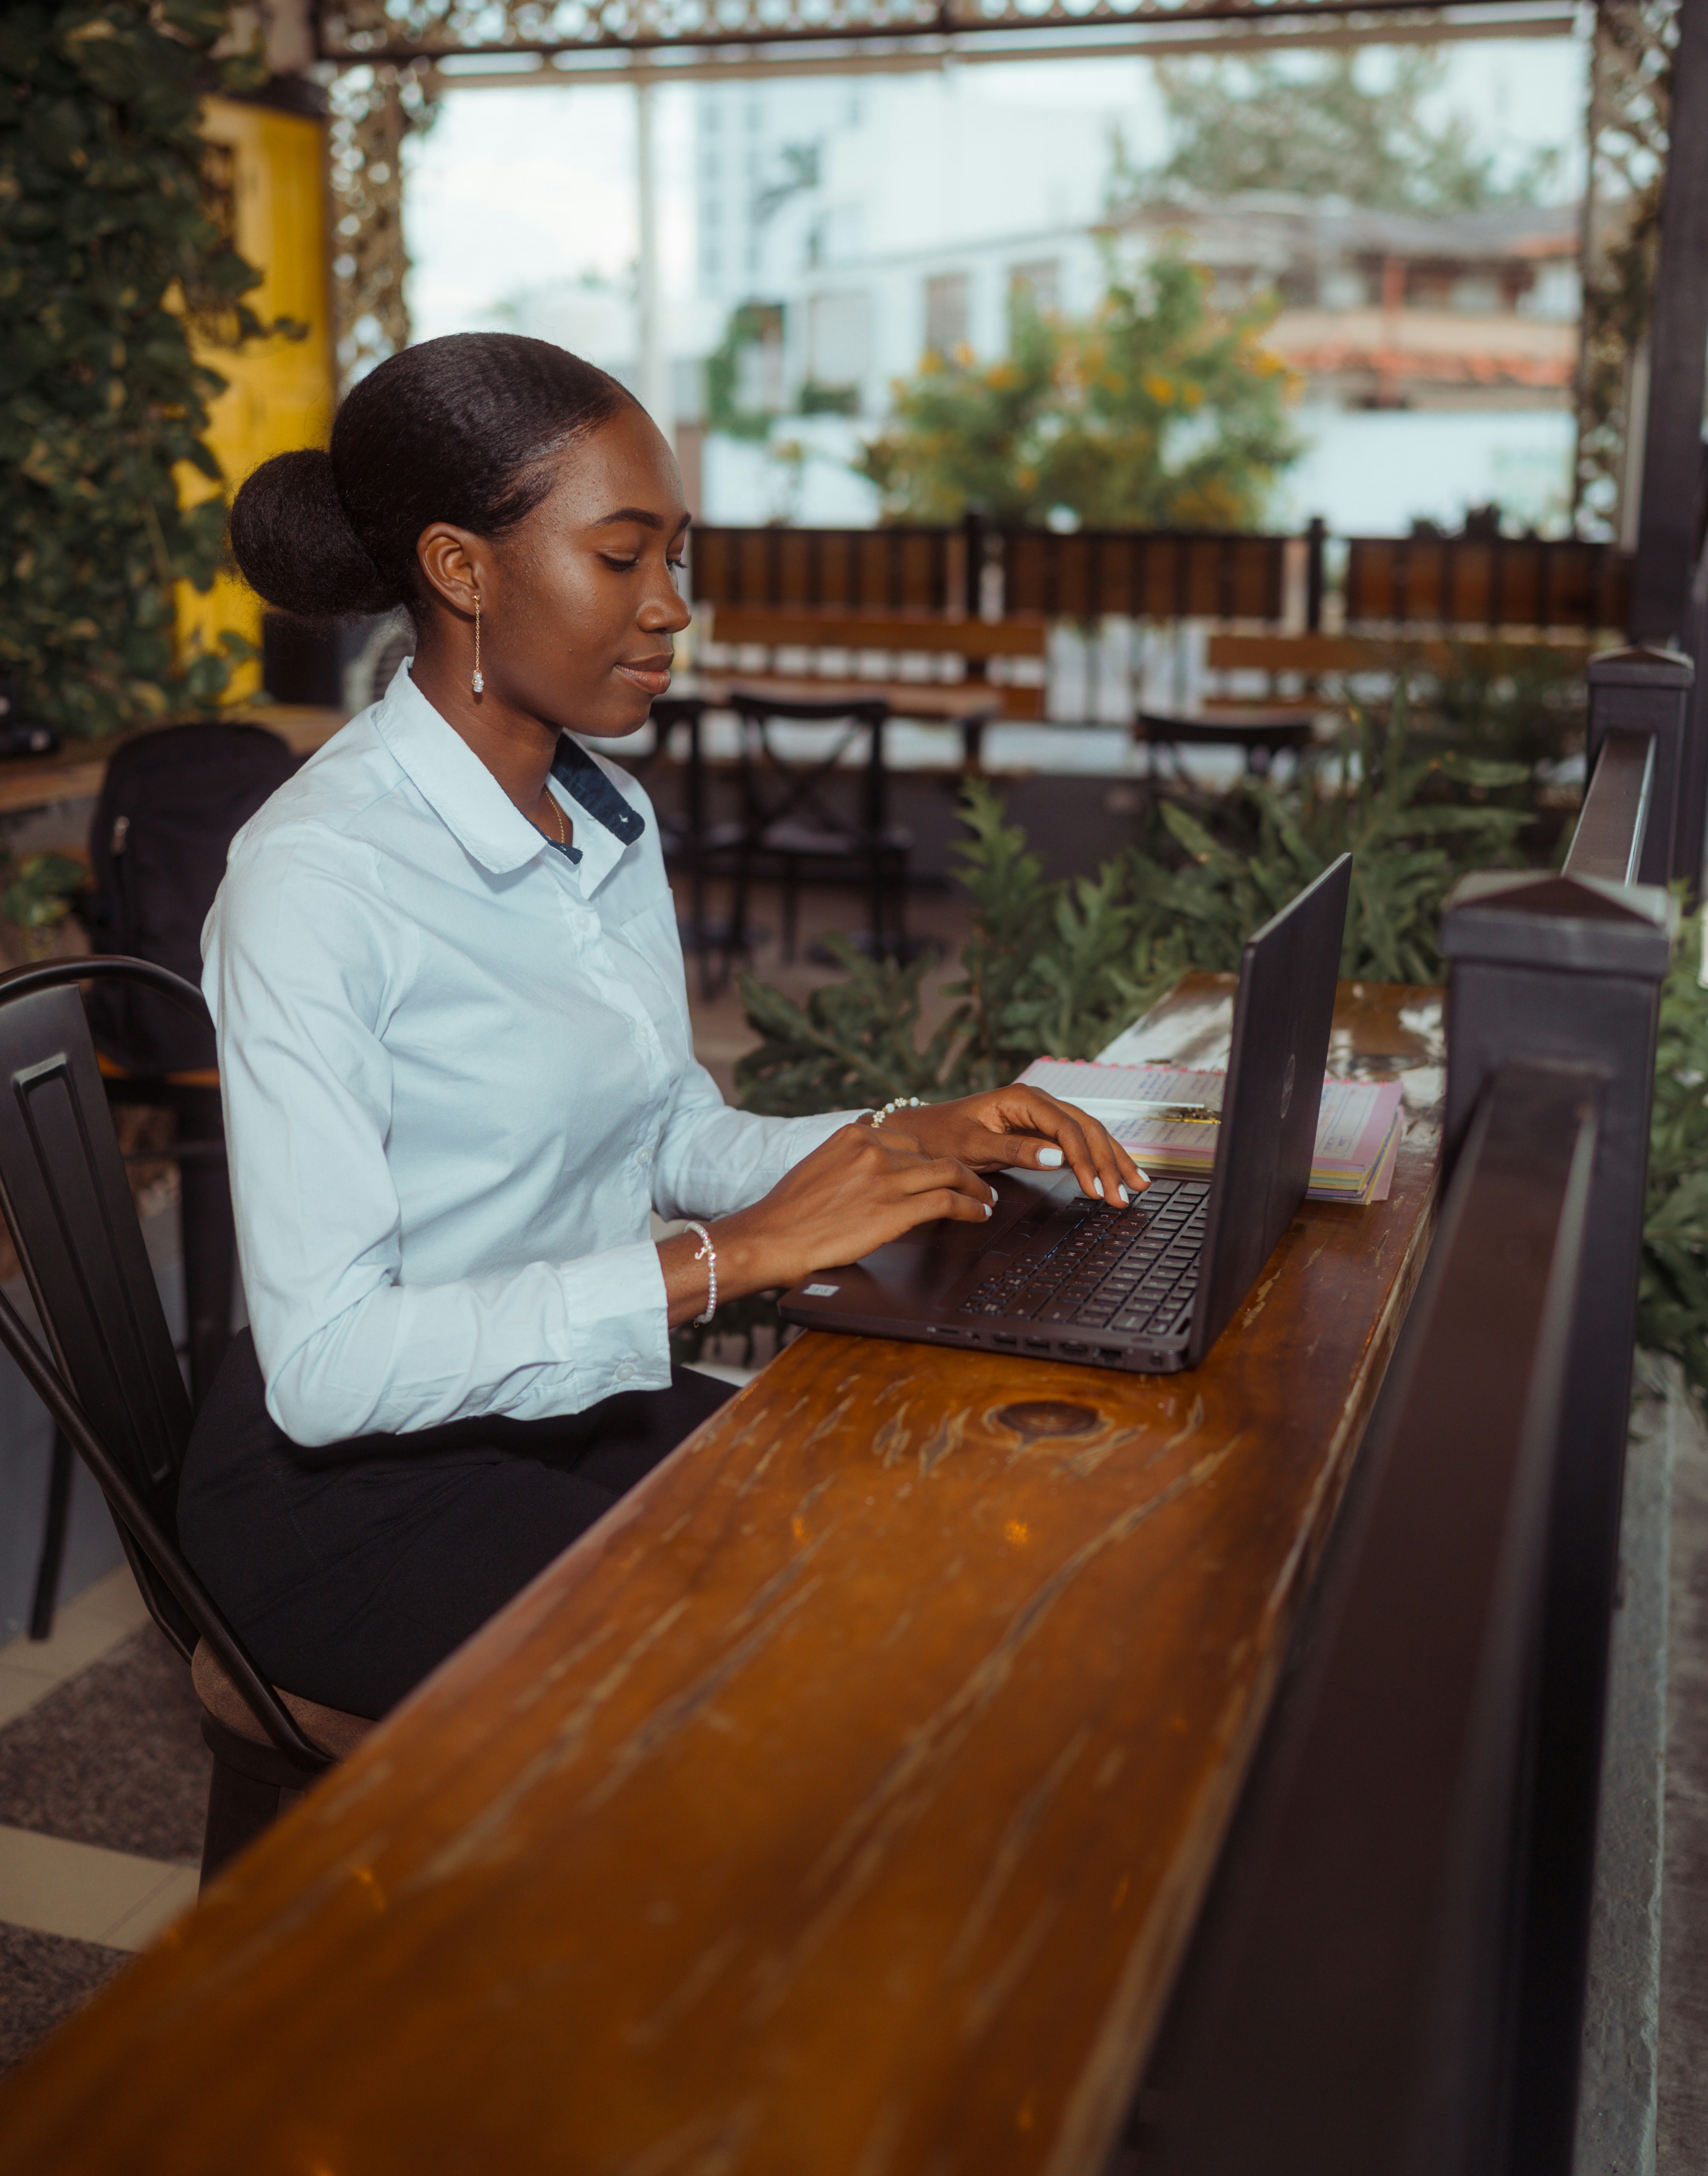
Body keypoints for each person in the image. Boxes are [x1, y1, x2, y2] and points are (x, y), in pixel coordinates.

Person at [178, 334, 1145, 1720]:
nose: (671, 607)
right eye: (622, 558)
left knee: (920, 1533)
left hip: (555, 1411)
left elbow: (671, 1126)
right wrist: (729, 1262)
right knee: (805, 1670)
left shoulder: (600, 817)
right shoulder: (318, 879)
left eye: (675, 558)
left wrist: (902, 1137)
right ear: (462, 570)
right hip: (353, 1494)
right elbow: (330, 1371)